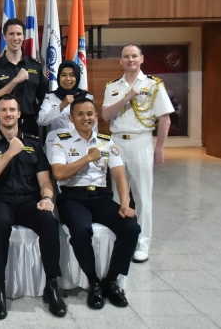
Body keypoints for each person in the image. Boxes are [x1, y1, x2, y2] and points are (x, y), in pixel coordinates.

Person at [0, 94, 65, 320]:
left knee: (49, 220)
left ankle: (51, 285)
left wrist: (47, 198)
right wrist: (10, 152)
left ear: (19, 114)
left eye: (12, 110)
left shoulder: (33, 143)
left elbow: (45, 181)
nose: (8, 114)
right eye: (4, 110)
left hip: (28, 201)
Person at [51, 97, 141, 309]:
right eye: (80, 114)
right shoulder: (61, 141)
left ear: (96, 116)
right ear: (71, 118)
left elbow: (119, 175)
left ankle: (111, 280)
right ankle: (93, 282)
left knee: (131, 228)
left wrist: (125, 204)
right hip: (72, 198)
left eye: (90, 114)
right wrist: (87, 158)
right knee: (81, 230)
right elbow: (59, 173)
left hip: (101, 197)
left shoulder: (106, 141)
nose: (86, 118)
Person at [101, 44, 174, 263]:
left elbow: (164, 119)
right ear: (120, 61)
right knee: (117, 194)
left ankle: (142, 244)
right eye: (126, 56)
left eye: (134, 56)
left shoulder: (153, 85)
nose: (130, 59)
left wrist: (159, 149)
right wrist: (126, 98)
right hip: (116, 142)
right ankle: (121, 237)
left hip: (140, 141)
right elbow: (106, 115)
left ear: (142, 59)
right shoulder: (113, 86)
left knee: (142, 195)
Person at [0, 18, 47, 136]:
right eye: (11, 34)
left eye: (19, 34)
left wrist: (36, 113)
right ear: (4, 37)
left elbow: (45, 97)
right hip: (1, 127)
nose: (15, 38)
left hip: (29, 127)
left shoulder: (35, 66)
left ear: (23, 37)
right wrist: (15, 81)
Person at [38, 60, 95, 155]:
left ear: (77, 77)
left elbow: (93, 125)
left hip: (81, 143)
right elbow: (41, 120)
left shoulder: (87, 96)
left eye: (72, 75)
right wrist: (62, 105)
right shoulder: (51, 96)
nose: (68, 79)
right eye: (63, 75)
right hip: (56, 143)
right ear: (58, 77)